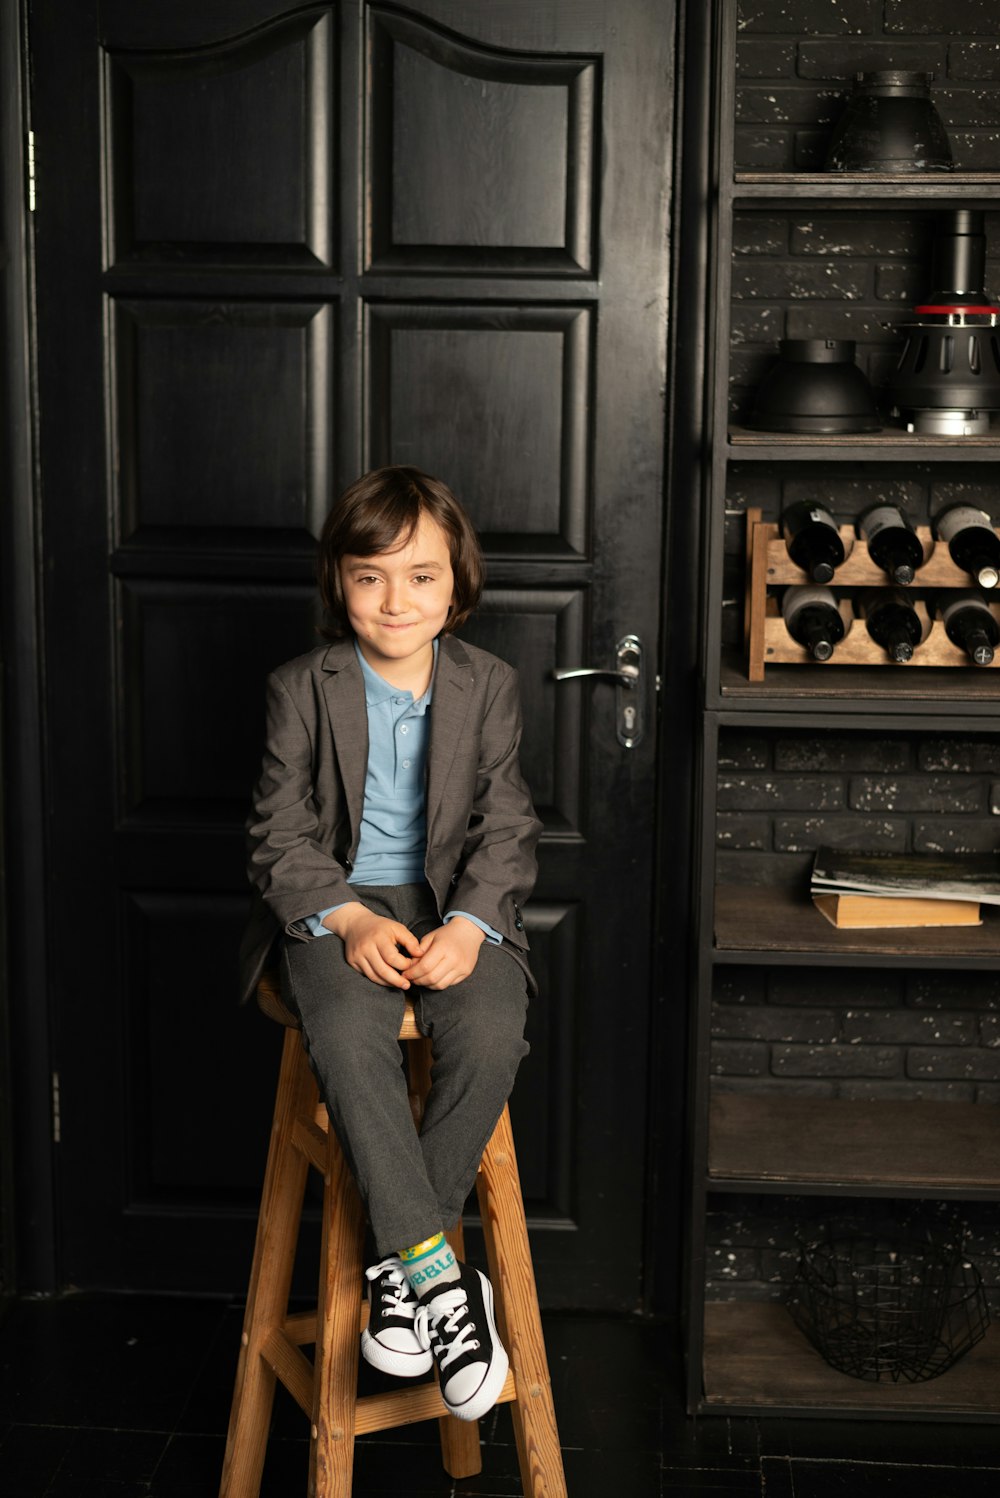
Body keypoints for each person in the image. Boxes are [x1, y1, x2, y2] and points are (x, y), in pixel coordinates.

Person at [239, 465, 541, 1422]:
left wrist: (471, 923)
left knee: (492, 1030)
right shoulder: (302, 686)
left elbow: (507, 829)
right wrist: (350, 917)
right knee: (346, 1036)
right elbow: (279, 833)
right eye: (370, 576)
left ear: (457, 584)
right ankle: (444, 1282)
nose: (395, 599)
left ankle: (410, 1279)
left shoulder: (487, 684)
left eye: (420, 575)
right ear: (339, 582)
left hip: (452, 902)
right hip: (339, 905)